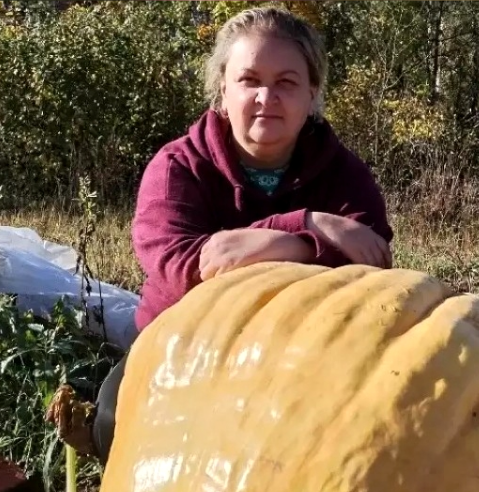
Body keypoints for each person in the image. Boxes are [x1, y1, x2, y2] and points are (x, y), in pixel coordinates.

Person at [47, 6, 394, 463]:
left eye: (286, 82)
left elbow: (373, 263)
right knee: (115, 424)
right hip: (188, 342)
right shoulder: (177, 167)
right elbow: (184, 269)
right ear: (222, 90)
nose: (267, 96)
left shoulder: (345, 173)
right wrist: (312, 227)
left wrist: (271, 240)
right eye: (250, 79)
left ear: (312, 94)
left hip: (307, 349)